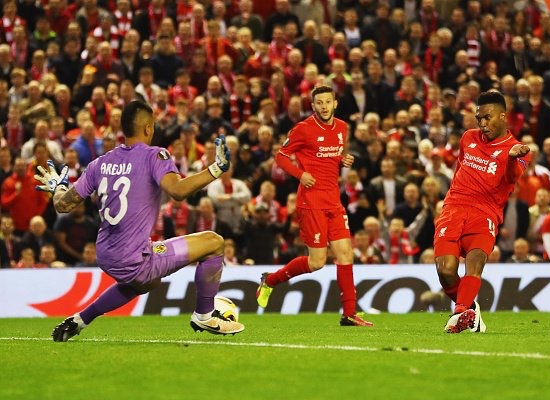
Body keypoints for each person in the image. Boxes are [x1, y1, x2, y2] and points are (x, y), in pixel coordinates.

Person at [35, 100, 244, 342]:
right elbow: (177, 191)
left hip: (106, 254)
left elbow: (63, 204)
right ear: (147, 128)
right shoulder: (155, 155)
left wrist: (59, 187)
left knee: (147, 283)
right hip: (133, 258)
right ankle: (205, 315)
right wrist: (216, 169)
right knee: (214, 242)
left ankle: (80, 320)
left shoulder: (99, 163)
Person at [256, 85, 373, 327]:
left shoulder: (342, 128)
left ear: (335, 103)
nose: (324, 106)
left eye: (328, 102)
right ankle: (270, 281)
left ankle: (349, 314)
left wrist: (342, 160)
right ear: (313, 106)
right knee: (317, 262)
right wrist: (300, 175)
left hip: (333, 200)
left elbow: (328, 157)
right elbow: (280, 156)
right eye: (319, 103)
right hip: (311, 202)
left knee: (345, 253)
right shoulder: (303, 129)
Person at [433, 90, 531, 334]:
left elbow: (511, 179)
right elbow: (460, 168)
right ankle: (471, 311)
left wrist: (509, 159)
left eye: (487, 118)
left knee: (475, 263)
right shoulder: (468, 138)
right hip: (455, 207)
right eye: (479, 119)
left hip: (486, 212)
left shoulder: (518, 149)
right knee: (445, 270)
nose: (482, 124)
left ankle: (461, 313)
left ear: (502, 116)